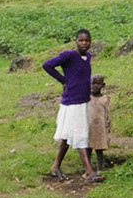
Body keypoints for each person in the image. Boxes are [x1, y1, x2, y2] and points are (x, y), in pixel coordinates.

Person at [42, 29, 99, 182]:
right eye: (81, 40)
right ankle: (89, 172)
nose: (84, 43)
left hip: (83, 100)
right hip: (72, 102)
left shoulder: (87, 57)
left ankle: (55, 166)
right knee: (80, 135)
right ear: (76, 41)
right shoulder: (69, 55)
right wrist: (63, 80)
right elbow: (47, 65)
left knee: (67, 137)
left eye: (87, 40)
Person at [88, 76, 112, 168]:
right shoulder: (86, 98)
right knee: (88, 148)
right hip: (89, 126)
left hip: (100, 127)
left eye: (97, 84)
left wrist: (108, 126)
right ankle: (88, 168)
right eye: (93, 83)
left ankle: (100, 167)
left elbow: (108, 114)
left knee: (99, 148)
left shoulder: (105, 98)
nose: (95, 86)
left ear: (103, 85)